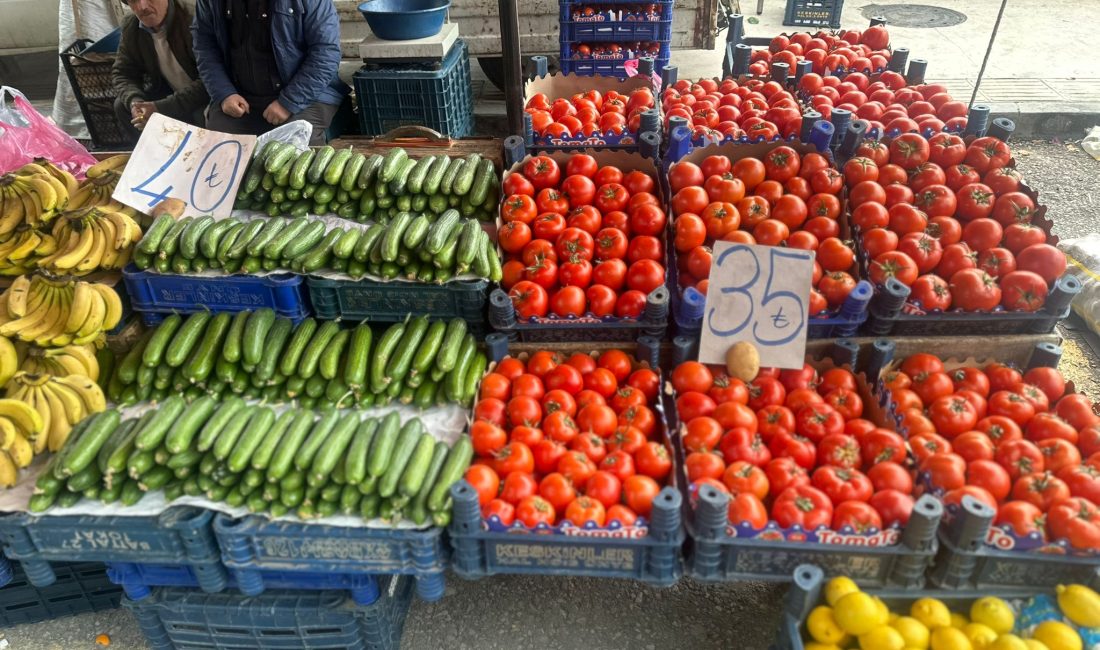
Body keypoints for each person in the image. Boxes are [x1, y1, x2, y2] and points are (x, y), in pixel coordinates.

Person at [191, 0, 348, 145]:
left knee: (294, 154)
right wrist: (224, 94)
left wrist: (289, 102)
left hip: (306, 96)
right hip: (241, 98)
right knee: (219, 151)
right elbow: (205, 48)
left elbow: (326, 54)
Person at [111, 0, 209, 143]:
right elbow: (123, 73)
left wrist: (161, 107)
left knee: (201, 114)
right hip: (168, 92)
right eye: (134, 1)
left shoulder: (193, 17)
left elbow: (209, 79)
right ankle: (152, 157)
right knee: (122, 105)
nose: (142, 6)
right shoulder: (132, 26)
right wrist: (135, 102)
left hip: (205, 97)